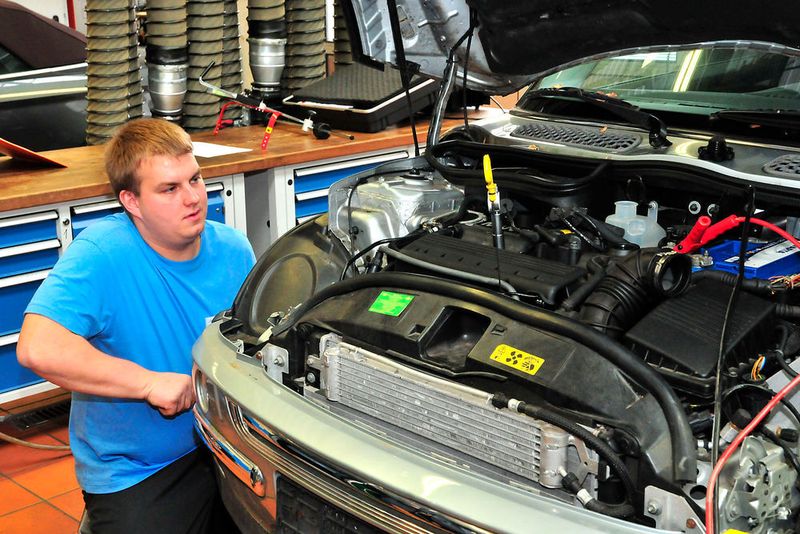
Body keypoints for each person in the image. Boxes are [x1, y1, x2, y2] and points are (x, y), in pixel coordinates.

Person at [17, 118, 255, 533]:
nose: (193, 198)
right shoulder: (103, 253)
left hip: (225, 445)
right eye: (169, 189)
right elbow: (38, 347)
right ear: (132, 201)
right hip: (139, 468)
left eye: (195, 179)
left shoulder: (234, 249)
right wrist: (148, 384)